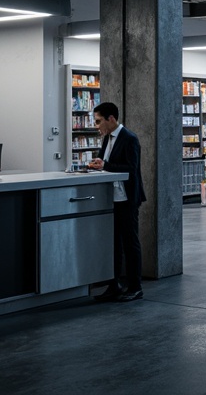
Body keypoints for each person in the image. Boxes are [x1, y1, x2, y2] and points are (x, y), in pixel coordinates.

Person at [88, 101, 147, 302]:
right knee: (113, 243)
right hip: (111, 198)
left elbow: (131, 168)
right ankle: (114, 285)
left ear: (111, 119)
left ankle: (135, 286)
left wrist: (106, 165)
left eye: (98, 122)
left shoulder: (129, 138)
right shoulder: (107, 139)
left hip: (127, 198)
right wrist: (99, 164)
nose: (97, 126)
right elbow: (107, 162)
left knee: (130, 242)